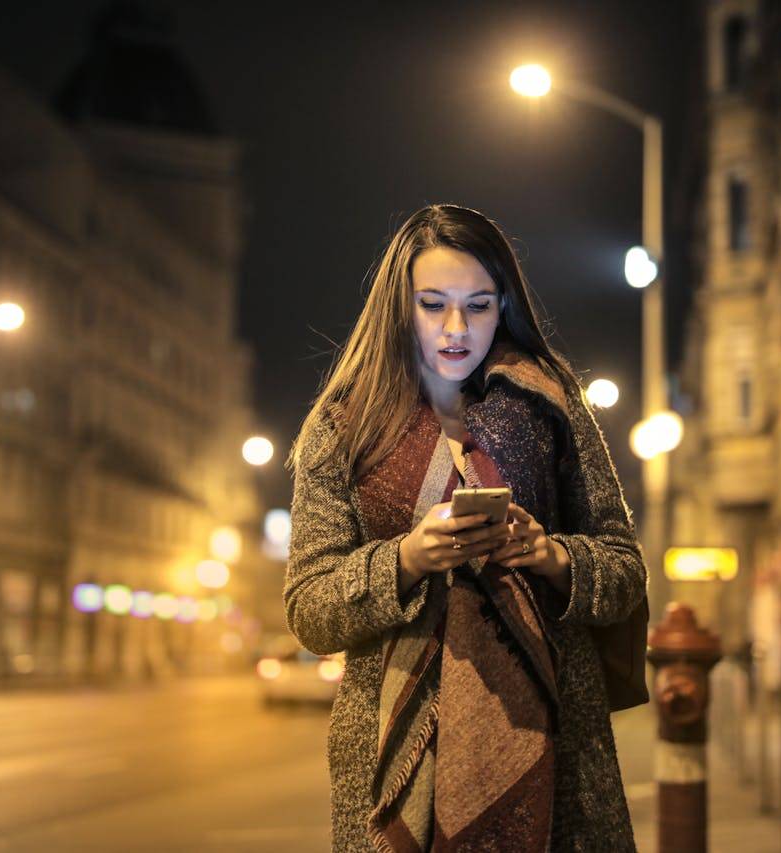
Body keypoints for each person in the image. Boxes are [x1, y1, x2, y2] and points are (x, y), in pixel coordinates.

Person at [285, 204, 647, 851]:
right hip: (394, 763)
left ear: (503, 304)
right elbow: (310, 608)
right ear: (402, 306)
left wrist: (551, 554)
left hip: (557, 753)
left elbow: (623, 567)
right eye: (433, 305)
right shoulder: (343, 426)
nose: (457, 329)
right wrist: (406, 559)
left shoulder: (550, 403)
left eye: (478, 305)